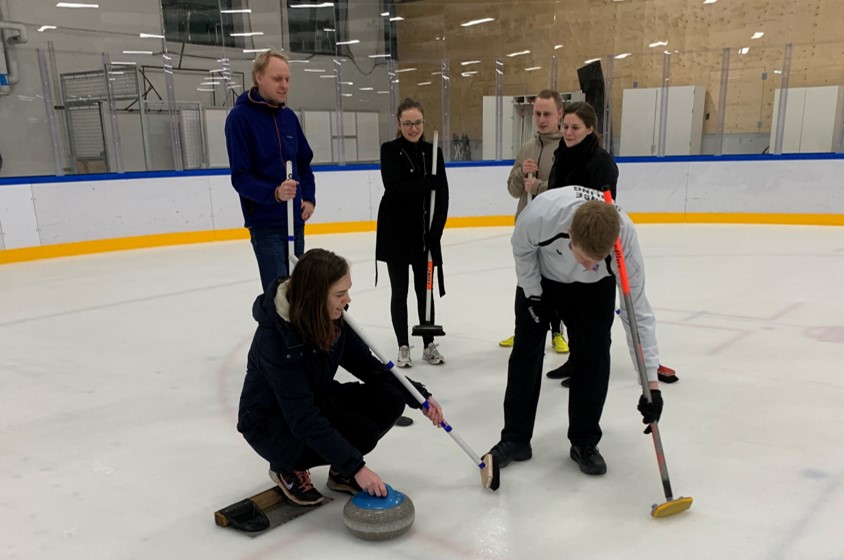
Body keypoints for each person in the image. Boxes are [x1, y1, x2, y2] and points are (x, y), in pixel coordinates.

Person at [236, 248, 444, 506]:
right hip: (272, 425)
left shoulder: (333, 318)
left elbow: (370, 367)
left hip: (315, 399)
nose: (348, 300)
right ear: (314, 296)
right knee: (357, 434)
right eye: (339, 294)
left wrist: (418, 395)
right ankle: (286, 468)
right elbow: (303, 418)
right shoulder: (275, 341)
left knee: (389, 399)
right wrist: (356, 467)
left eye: (347, 291)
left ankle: (339, 473)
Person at [488, 188, 665, 476]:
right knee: (525, 353)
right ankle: (515, 439)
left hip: (594, 291)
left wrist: (651, 384)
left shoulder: (625, 239)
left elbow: (637, 314)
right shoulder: (540, 215)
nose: (588, 266)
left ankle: (584, 442)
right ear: (569, 232)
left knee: (594, 355)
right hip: (543, 278)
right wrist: (533, 294)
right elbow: (522, 251)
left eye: (596, 261)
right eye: (583, 259)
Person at [546, 101, 678, 385]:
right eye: (565, 126)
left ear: (590, 129)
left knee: (592, 315)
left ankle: (588, 366)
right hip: (567, 245)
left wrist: (585, 240)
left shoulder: (601, 162)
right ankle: (575, 360)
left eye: (575, 128)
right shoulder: (561, 155)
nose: (568, 132)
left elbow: (603, 209)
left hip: (591, 245)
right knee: (570, 310)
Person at [225, 50, 316, 291]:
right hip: (266, 224)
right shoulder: (240, 118)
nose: (284, 85)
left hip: (295, 221)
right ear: (258, 77)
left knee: (298, 291)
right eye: (277, 79)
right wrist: (275, 193)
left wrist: (309, 197)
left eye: (287, 79)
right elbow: (241, 178)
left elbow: (303, 163)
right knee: (278, 294)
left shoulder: (288, 117)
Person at [376, 98, 450, 368]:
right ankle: (403, 345)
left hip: (424, 237)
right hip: (396, 234)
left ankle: (428, 344)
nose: (413, 128)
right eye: (407, 123)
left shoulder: (433, 152)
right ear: (399, 124)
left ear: (423, 122)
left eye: (417, 122)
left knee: (425, 291)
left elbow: (442, 195)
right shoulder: (389, 150)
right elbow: (395, 190)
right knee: (400, 292)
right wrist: (426, 183)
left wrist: (436, 232)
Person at [498, 90, 569, 355]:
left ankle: (557, 332)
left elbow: (566, 192)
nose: (541, 119)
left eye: (547, 114)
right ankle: (523, 330)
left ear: (559, 114)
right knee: (526, 281)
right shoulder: (527, 148)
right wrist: (520, 173)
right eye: (537, 114)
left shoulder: (566, 148)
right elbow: (513, 190)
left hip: (554, 232)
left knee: (554, 283)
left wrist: (538, 185)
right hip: (527, 230)